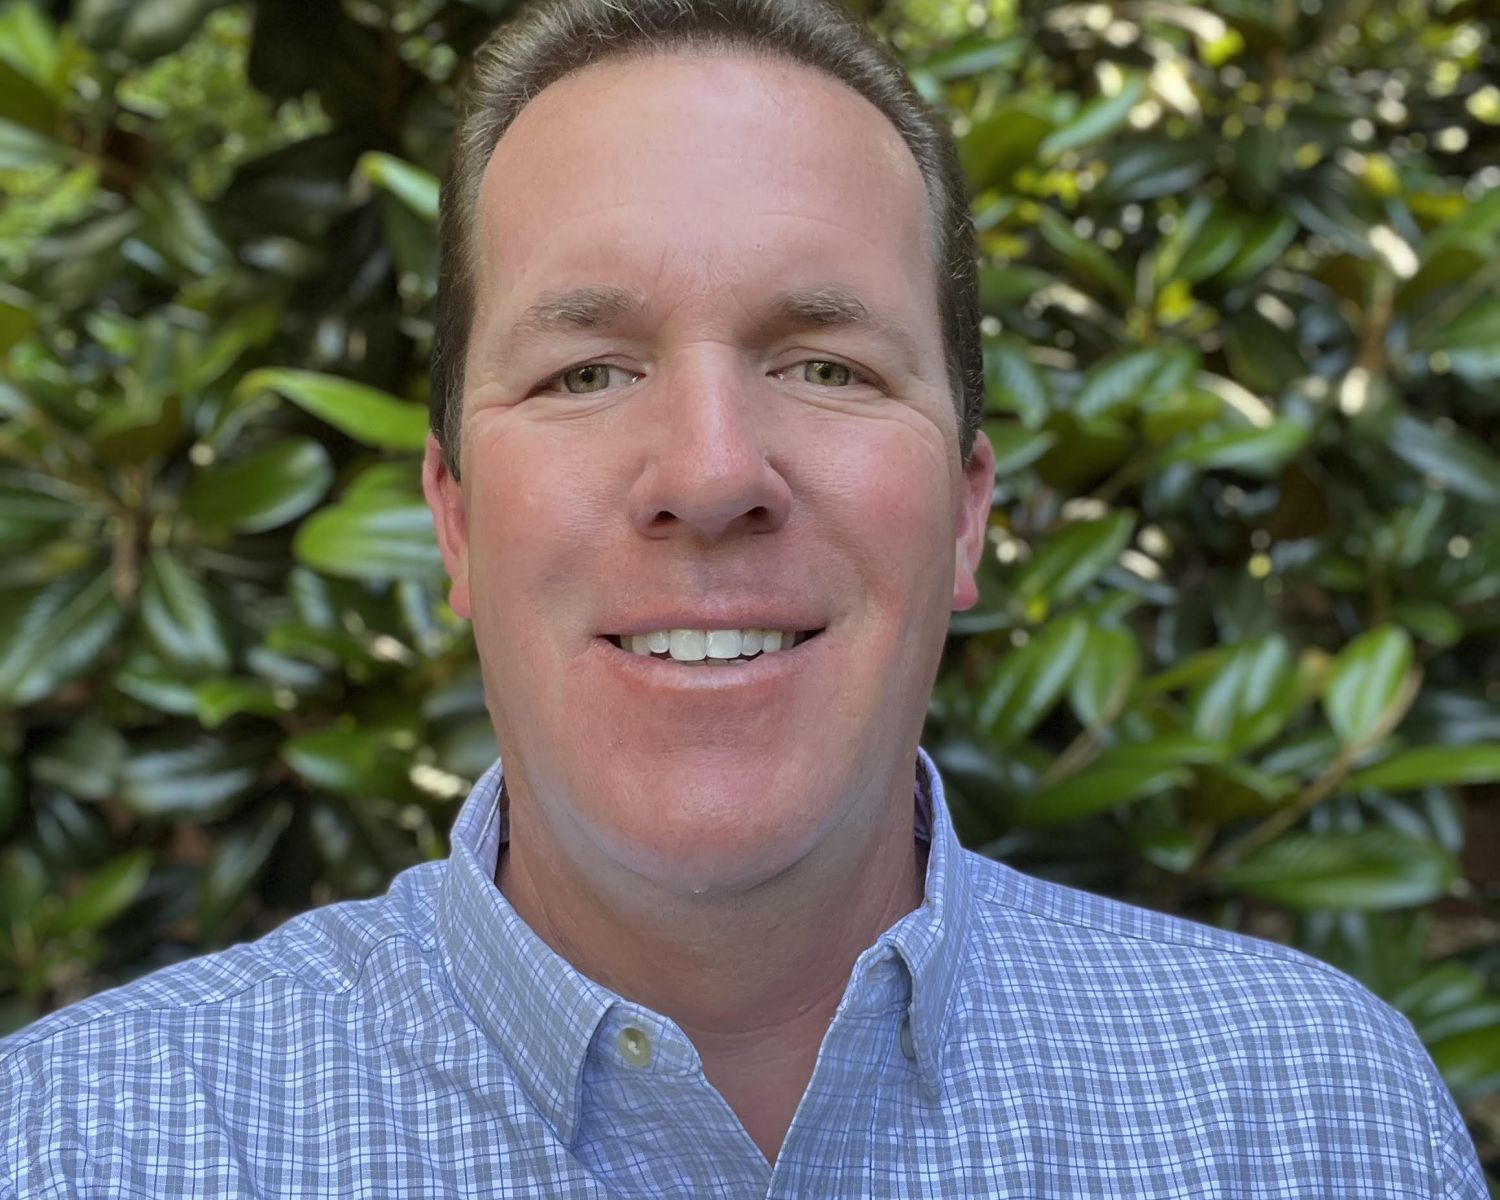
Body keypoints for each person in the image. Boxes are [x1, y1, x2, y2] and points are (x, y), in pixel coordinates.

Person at [1, 0, 1486, 1194]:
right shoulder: (89, 1147)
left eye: (824, 364)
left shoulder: (1308, 1121)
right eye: (586, 371)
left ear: (967, 514)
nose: (711, 472)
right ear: (453, 519)